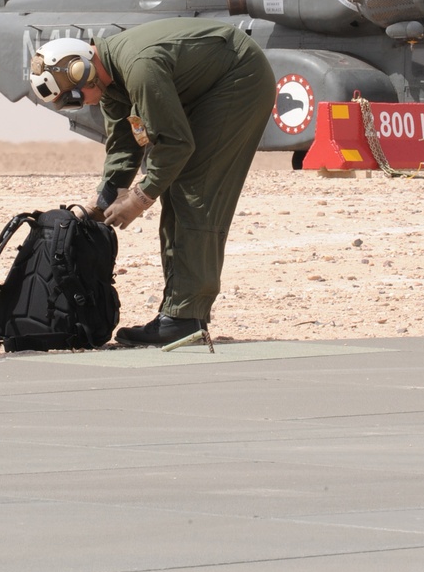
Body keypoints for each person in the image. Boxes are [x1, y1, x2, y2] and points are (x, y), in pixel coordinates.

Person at [29, 19, 275, 346]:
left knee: (192, 191)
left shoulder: (140, 69)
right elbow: (123, 143)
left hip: (239, 77)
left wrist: (140, 198)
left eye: (75, 96)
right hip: (211, 83)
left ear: (81, 70)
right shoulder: (109, 79)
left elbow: (175, 144)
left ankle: (184, 318)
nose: (80, 104)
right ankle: (180, 314)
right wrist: (103, 202)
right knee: (177, 187)